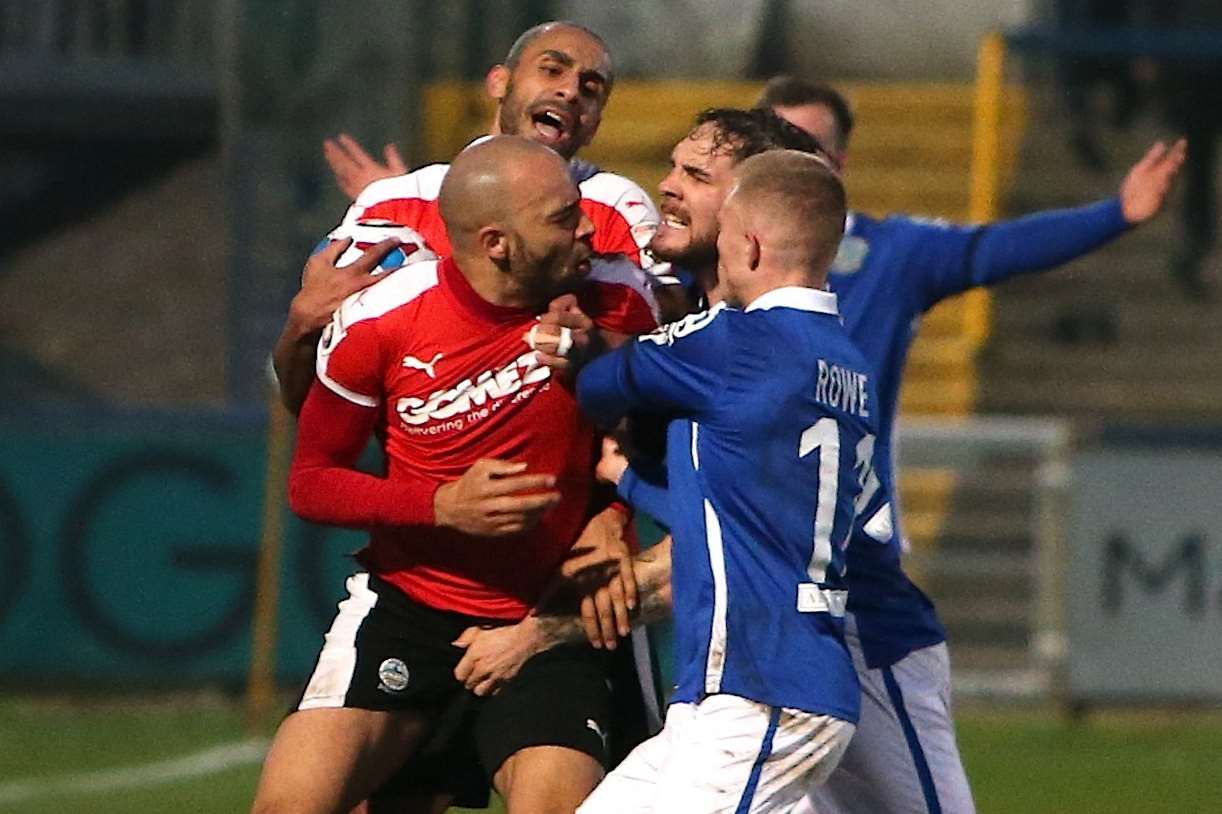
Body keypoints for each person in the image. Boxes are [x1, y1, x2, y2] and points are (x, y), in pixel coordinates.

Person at [756, 75, 1186, 814]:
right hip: (744, 576)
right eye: (777, 145)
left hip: (852, 576)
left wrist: (1116, 213)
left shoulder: (887, 255)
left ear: (843, 163)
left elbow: (995, 248)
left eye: (811, 147)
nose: (793, 163)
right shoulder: (708, 268)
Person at [249, 137, 651, 814]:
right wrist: (441, 506)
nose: (588, 228)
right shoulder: (380, 320)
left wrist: (614, 513)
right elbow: (311, 481)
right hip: (409, 612)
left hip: (545, 619)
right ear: (497, 243)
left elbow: (668, 443)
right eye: (562, 216)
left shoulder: (612, 305)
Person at [573, 148, 876, 813]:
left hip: (761, 690)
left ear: (752, 248)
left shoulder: (734, 341)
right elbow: (738, 515)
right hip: (748, 691)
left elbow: (603, 384)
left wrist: (577, 351)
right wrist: (629, 482)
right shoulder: (849, 366)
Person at [275, 20, 660, 416]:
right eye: (551, 69)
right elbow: (307, 407)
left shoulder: (613, 208)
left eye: (590, 89)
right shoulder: (394, 205)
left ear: (594, 125)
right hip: (421, 471)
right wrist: (302, 325)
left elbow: (664, 356)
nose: (569, 91)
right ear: (498, 82)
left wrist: (592, 348)